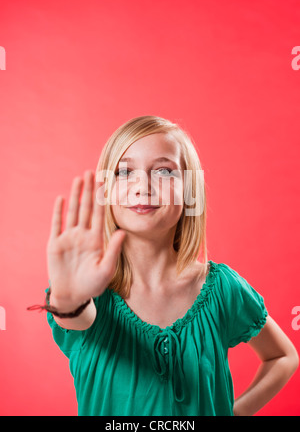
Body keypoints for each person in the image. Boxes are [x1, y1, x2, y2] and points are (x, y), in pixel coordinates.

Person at [42, 115, 298, 416]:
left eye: (164, 171)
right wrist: (67, 297)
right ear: (106, 191)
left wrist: (234, 412)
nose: (143, 185)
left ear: (191, 191)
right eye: (124, 172)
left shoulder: (222, 288)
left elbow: (284, 356)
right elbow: (74, 317)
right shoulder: (88, 293)